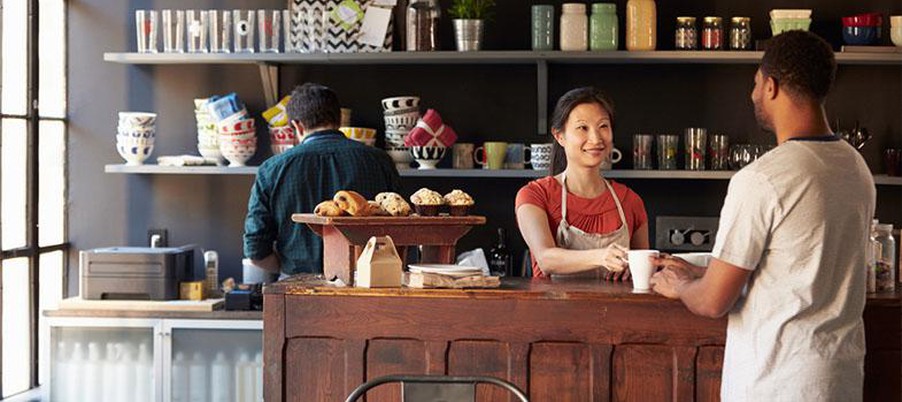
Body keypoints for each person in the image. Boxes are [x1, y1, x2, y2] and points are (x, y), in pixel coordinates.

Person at [650, 31, 875, 401]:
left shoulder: (763, 178)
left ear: (771, 86)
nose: (753, 94)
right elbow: (796, 269)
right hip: (839, 377)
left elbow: (711, 302)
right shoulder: (855, 166)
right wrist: (702, 271)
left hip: (778, 382)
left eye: (755, 83)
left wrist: (680, 287)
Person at [243, 83, 401, 277]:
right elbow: (401, 230)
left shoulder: (271, 170)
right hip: (367, 286)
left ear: (296, 126)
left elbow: (255, 250)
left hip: (298, 290)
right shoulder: (379, 161)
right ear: (339, 118)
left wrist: (289, 270)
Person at [515, 87, 649, 279]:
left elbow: (643, 269)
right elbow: (546, 259)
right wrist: (601, 256)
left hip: (616, 309)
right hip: (553, 308)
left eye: (603, 126)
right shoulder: (535, 195)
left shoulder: (631, 201)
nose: (595, 138)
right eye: (582, 128)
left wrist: (634, 270)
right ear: (559, 136)